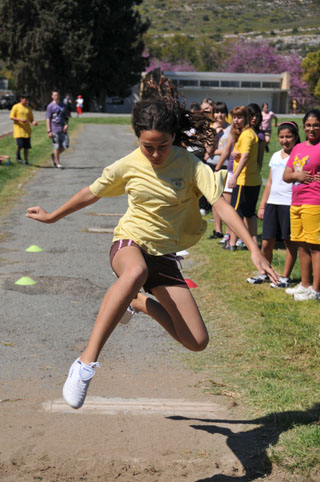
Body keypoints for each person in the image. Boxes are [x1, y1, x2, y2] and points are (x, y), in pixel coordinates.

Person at [26, 97, 278, 409]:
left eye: (163, 145)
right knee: (135, 272)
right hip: (129, 243)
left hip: (165, 256)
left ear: (174, 137)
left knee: (196, 341)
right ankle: (85, 363)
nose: (156, 154)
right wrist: (52, 216)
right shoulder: (129, 164)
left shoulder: (189, 166)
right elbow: (90, 193)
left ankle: (140, 302)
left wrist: (253, 247)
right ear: (138, 138)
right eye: (148, 147)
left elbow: (221, 205)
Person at [247, 122, 300, 287]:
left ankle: (285, 277)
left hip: (289, 204)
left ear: (296, 137)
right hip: (272, 203)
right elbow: (269, 182)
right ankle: (265, 272)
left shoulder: (299, 156)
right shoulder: (276, 155)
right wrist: (262, 205)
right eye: (282, 137)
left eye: (289, 137)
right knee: (266, 242)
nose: (285, 140)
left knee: (289, 242)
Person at [283, 109, 320, 301]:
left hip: (315, 202)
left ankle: (316, 290)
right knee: (301, 244)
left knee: (315, 246)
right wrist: (298, 175)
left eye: (315, 125)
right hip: (296, 202)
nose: (312, 128)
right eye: (308, 125)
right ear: (303, 127)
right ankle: (305, 284)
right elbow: (286, 175)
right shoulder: (298, 149)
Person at [225, 106, 262, 250]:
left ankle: (233, 243)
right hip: (253, 180)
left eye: (239, 117)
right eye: (234, 117)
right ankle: (252, 243)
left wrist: (234, 176)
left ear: (246, 118)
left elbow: (245, 156)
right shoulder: (249, 133)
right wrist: (235, 152)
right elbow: (243, 153)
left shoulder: (246, 134)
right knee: (249, 213)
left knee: (236, 214)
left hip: (244, 180)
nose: (236, 120)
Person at [207, 102, 232, 240]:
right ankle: (218, 230)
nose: (219, 115)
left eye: (222, 112)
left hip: (227, 166)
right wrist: (215, 134)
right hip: (211, 165)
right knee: (214, 198)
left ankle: (229, 231)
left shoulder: (231, 128)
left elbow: (231, 151)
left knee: (226, 200)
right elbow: (208, 150)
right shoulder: (211, 128)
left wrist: (218, 152)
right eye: (216, 112)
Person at [10, 93, 38, 165]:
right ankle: (18, 155)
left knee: (26, 147)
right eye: (25, 99)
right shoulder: (16, 107)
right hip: (18, 130)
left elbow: (31, 119)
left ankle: (26, 161)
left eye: (27, 100)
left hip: (27, 131)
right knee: (20, 145)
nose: (26, 101)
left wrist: (33, 122)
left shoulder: (28, 109)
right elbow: (11, 117)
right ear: (21, 99)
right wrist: (19, 119)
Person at [46, 90, 69, 169]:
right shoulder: (50, 106)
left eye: (57, 95)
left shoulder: (63, 105)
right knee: (56, 146)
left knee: (65, 145)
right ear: (52, 96)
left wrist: (66, 124)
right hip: (54, 128)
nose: (56, 97)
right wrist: (49, 131)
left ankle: (54, 155)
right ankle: (57, 162)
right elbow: (48, 119)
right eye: (55, 95)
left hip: (62, 128)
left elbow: (66, 117)